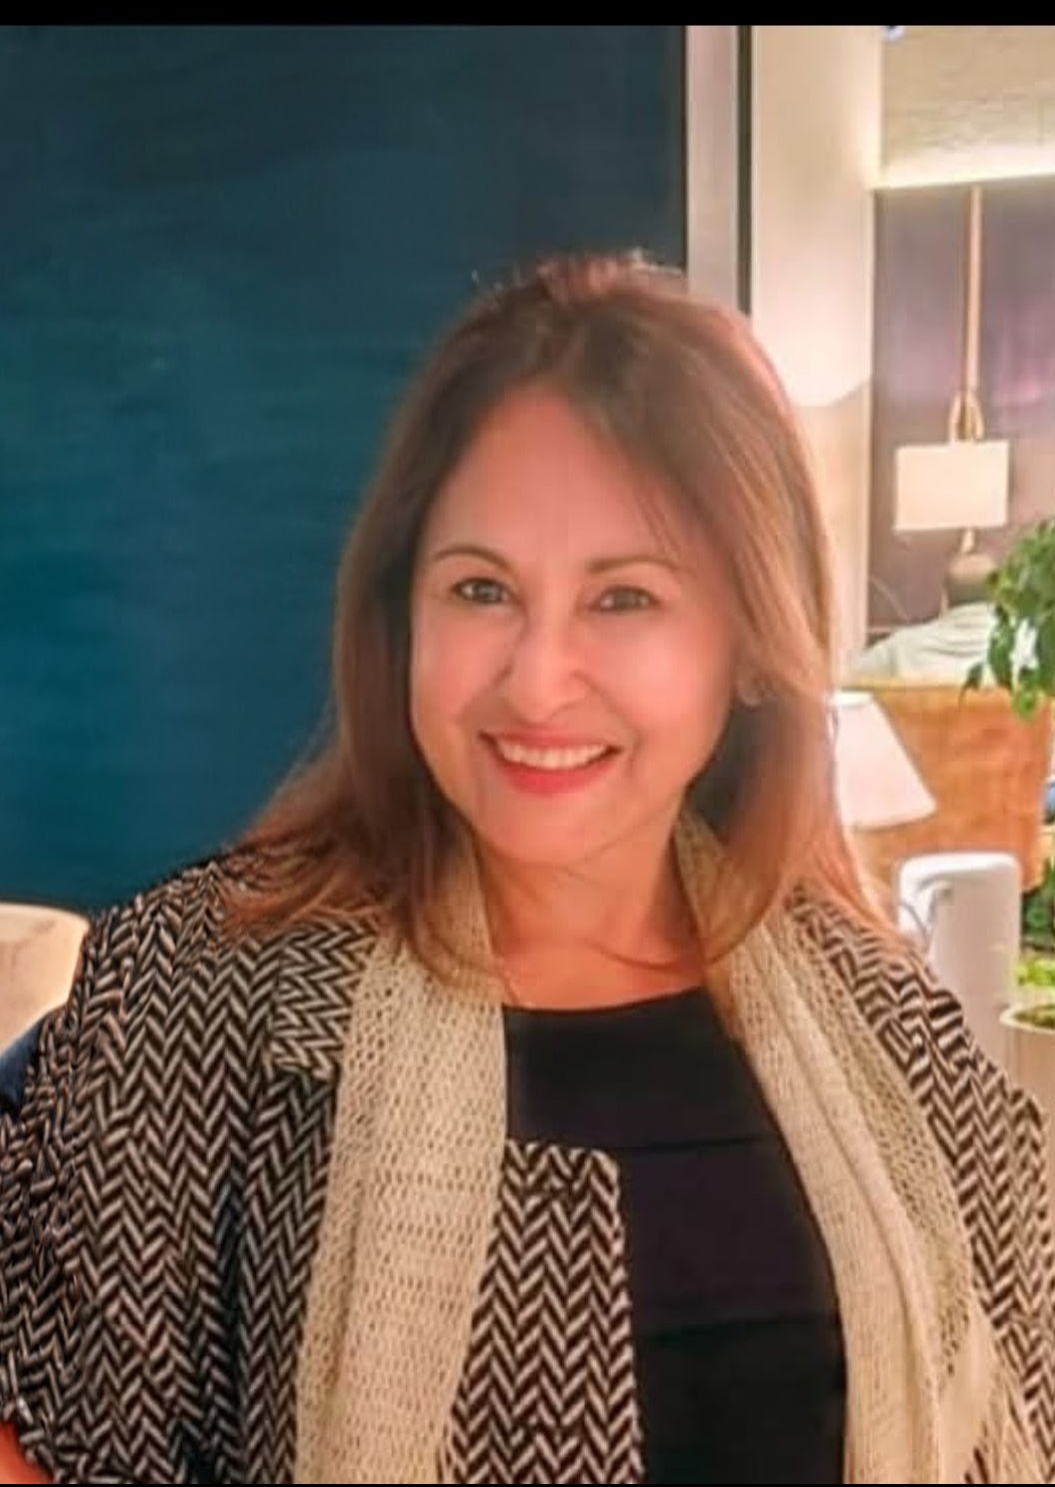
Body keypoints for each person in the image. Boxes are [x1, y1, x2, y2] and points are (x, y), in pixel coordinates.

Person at [1, 253, 1053, 1486]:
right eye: (481, 588)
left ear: (747, 643)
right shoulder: (198, 992)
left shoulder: (883, 1022)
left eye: (623, 598)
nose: (537, 680)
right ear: (400, 614)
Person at [847, 549, 1003, 684]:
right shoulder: (1018, 647)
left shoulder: (899, 649)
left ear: (944, 601)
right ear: (1001, 598)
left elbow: (845, 683)